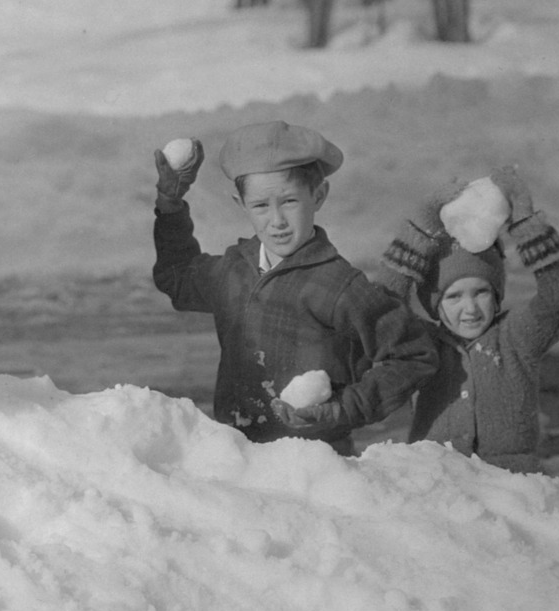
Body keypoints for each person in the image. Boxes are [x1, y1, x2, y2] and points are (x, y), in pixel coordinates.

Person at [152, 118, 438, 456]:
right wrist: (170, 205)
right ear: (240, 204)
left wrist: (343, 409)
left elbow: (414, 355)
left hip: (318, 464)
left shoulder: (340, 285)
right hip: (239, 458)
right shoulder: (234, 270)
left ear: (318, 195)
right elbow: (178, 278)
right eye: (260, 205)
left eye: (289, 201)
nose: (277, 222)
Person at [377, 166, 559, 466]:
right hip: (437, 477)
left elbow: (558, 299)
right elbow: (380, 310)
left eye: (481, 292)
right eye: (454, 296)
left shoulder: (516, 337)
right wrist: (422, 228)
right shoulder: (421, 344)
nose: (470, 309)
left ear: (497, 294)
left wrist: (525, 223)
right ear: (435, 304)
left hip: (513, 481)